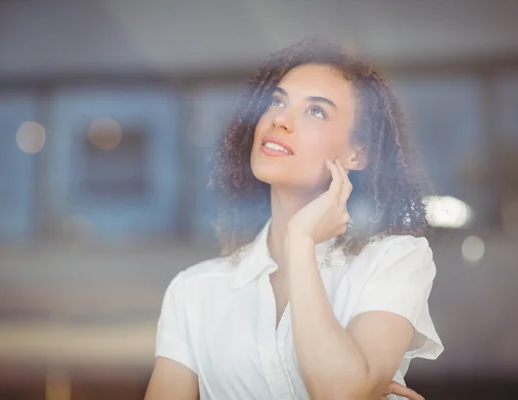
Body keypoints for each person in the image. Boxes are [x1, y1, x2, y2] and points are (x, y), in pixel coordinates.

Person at [145, 37, 443, 400]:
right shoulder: (195, 290)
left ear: (356, 153)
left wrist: (301, 241)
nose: (280, 120)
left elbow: (341, 393)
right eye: (277, 100)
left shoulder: (393, 260)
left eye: (315, 110)